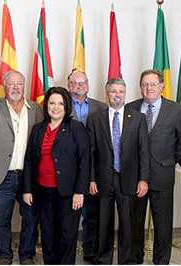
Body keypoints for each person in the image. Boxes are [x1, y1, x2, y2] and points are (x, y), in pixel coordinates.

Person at [126, 69, 181, 265]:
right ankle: (134, 258)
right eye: (145, 84)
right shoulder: (130, 108)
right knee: (135, 222)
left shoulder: (176, 110)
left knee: (163, 224)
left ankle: (161, 261)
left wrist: (169, 159)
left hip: (162, 175)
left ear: (162, 86)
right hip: (135, 176)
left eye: (153, 84)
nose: (149, 88)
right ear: (140, 87)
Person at [0, 70, 44, 265]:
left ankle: (26, 255)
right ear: (4, 86)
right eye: (11, 84)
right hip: (2, 174)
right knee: (1, 220)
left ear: (24, 86)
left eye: (19, 84)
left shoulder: (38, 109)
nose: (15, 87)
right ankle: (4, 255)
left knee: (31, 218)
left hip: (30, 176)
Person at [23, 87, 90, 264]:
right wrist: (27, 189)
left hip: (68, 193)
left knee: (67, 236)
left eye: (60, 103)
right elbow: (29, 159)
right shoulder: (38, 129)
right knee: (47, 234)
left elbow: (85, 161)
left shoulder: (76, 128)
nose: (56, 107)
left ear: (66, 106)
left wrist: (80, 192)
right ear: (46, 106)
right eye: (52, 103)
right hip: (43, 191)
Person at [86, 78, 150, 264]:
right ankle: (103, 259)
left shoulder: (138, 118)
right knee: (103, 221)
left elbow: (143, 151)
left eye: (121, 91)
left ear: (125, 94)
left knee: (128, 223)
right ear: (107, 95)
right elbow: (91, 153)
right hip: (103, 179)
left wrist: (143, 179)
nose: (117, 95)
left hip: (129, 179)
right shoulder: (95, 119)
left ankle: (127, 259)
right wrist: (91, 179)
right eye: (113, 91)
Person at [67, 70, 107, 262]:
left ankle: (90, 250)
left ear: (88, 84)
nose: (80, 84)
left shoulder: (101, 107)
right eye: (75, 82)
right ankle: (68, 251)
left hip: (94, 169)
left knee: (92, 214)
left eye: (83, 81)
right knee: (69, 214)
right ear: (69, 86)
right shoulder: (60, 105)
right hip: (68, 169)